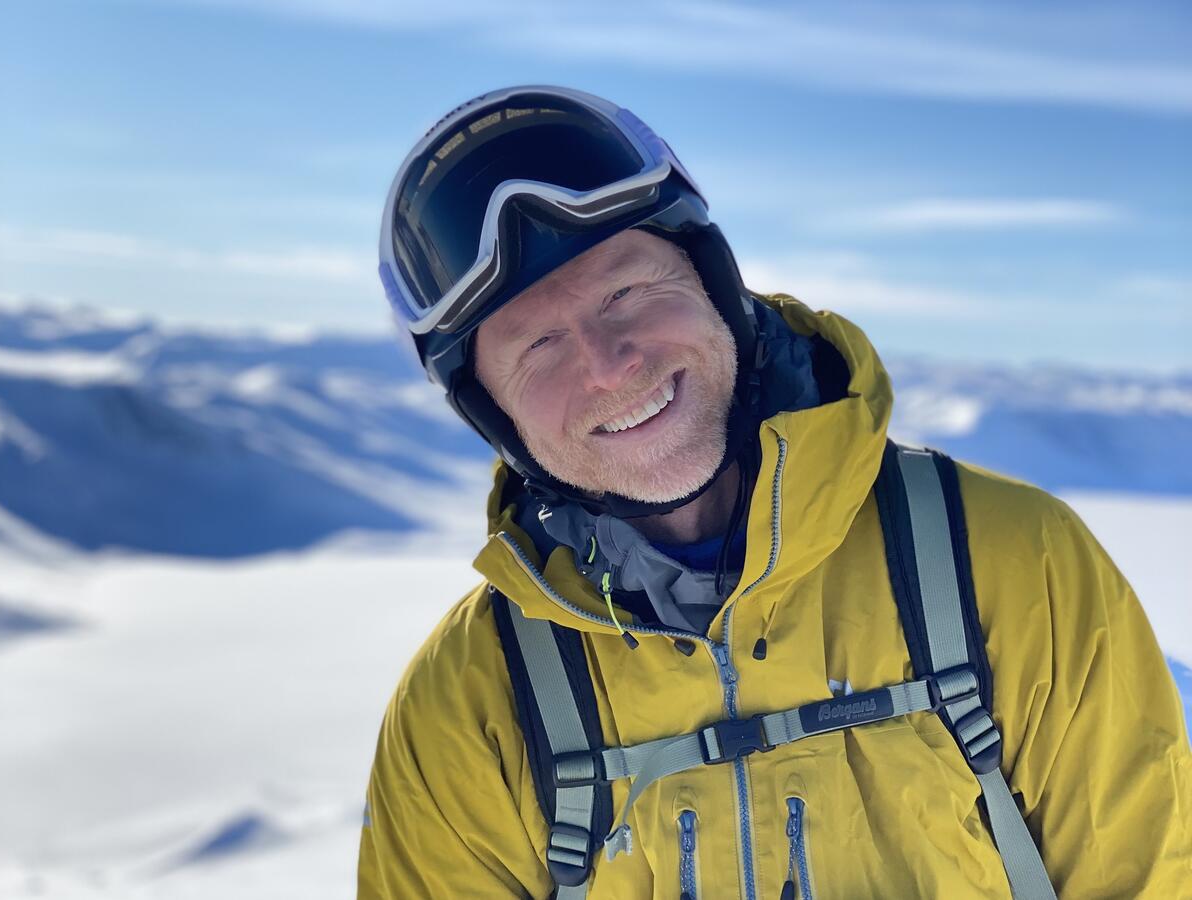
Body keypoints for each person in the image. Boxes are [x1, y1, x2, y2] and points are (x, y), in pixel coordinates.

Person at [358, 85, 1191, 898]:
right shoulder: (470, 704)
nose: (609, 366)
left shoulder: (1011, 563)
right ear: (492, 411)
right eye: (538, 345)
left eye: (626, 292)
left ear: (713, 283)